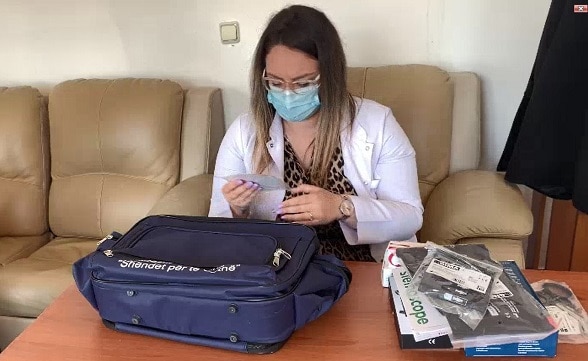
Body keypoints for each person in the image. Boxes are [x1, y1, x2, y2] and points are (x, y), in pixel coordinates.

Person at [208, 5, 423, 262]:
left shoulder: (377, 123)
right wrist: (237, 210)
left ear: (329, 77)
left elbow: (410, 216)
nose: (287, 93)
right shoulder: (244, 132)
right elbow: (218, 226)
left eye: (303, 83)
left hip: (361, 268)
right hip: (278, 271)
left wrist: (342, 207)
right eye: (275, 82)